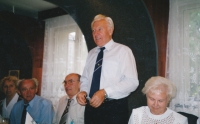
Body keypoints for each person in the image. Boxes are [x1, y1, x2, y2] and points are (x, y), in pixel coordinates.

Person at [76, 14, 139, 124]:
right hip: (91, 109)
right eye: (93, 30)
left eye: (99, 29)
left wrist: (105, 92)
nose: (96, 34)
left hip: (114, 109)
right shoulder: (91, 53)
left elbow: (132, 82)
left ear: (110, 30)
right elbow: (85, 79)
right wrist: (83, 91)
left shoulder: (123, 51)